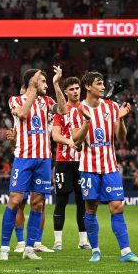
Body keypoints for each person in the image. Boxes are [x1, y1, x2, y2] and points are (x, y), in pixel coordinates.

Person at [69, 71, 138, 263]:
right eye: (99, 83)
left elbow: (121, 138)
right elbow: (75, 140)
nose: (103, 87)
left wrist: (120, 119)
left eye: (103, 84)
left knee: (117, 207)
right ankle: (95, 250)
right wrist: (87, 121)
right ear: (88, 87)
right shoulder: (76, 110)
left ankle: (126, 251)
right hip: (88, 167)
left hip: (110, 166)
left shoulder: (111, 107)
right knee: (91, 208)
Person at [0, 66, 65, 261]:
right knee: (15, 200)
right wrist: (33, 90)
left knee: (37, 203)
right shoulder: (15, 100)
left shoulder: (47, 101)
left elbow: (62, 109)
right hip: (24, 158)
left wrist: (56, 84)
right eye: (43, 81)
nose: (46, 85)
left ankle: (29, 248)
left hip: (44, 159)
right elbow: (22, 114)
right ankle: (4, 248)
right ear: (32, 83)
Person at [51, 76, 90, 250]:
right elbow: (55, 135)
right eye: (72, 89)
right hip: (63, 161)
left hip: (82, 162)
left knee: (83, 201)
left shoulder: (86, 109)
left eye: (77, 88)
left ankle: (83, 241)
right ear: (65, 92)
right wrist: (69, 142)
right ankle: (58, 241)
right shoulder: (61, 110)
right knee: (61, 200)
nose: (75, 91)